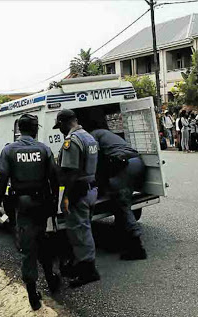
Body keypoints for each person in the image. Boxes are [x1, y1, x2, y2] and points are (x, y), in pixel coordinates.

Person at [0, 114, 60, 310]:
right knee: (44, 241)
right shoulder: (44, 149)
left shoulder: (8, 150)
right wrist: (54, 203)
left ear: (19, 130)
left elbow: (2, 180)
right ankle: (51, 279)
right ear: (35, 130)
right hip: (42, 204)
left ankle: (33, 295)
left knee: (28, 249)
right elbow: (54, 180)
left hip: (22, 206)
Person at [54, 109, 101, 288]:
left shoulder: (72, 141)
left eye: (60, 126)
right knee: (84, 228)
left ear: (65, 123)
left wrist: (65, 197)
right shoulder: (88, 137)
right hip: (91, 189)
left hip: (78, 191)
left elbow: (72, 172)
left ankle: (89, 272)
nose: (60, 130)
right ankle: (80, 266)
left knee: (80, 232)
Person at [89, 128, 147, 261]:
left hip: (124, 165)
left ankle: (136, 247)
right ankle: (121, 239)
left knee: (122, 204)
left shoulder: (92, 136)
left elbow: (96, 160)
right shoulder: (106, 134)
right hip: (137, 163)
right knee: (121, 202)